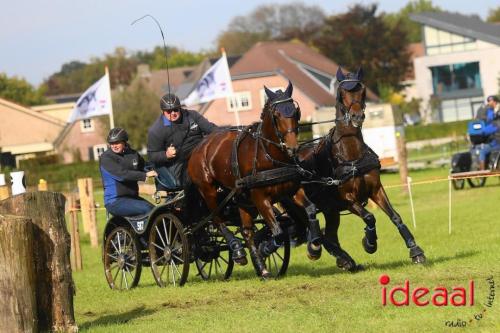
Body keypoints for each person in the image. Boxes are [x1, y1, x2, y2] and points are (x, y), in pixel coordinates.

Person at [147, 93, 218, 190]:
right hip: (178, 161)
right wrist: (166, 155)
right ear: (163, 112)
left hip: (201, 152)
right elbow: (152, 155)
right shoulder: (156, 130)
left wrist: (228, 132)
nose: (173, 113)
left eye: (176, 109)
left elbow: (211, 129)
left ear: (180, 107)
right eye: (169, 111)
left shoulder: (192, 115)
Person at [100, 128, 157, 216]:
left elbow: (144, 166)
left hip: (132, 198)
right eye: (112, 143)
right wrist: (145, 175)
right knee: (147, 209)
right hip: (115, 201)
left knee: (156, 210)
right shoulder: (106, 158)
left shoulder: (133, 154)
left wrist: (157, 168)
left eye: (117, 142)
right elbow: (122, 175)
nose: (114, 146)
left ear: (124, 142)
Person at [477, 95, 500, 170]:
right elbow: (489, 119)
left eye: (490, 101)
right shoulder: (491, 111)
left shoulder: (496, 117)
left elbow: (491, 125)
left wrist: (481, 132)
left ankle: (482, 173)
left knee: (482, 151)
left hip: (497, 143)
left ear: (495, 102)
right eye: (488, 101)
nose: (489, 103)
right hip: (494, 140)